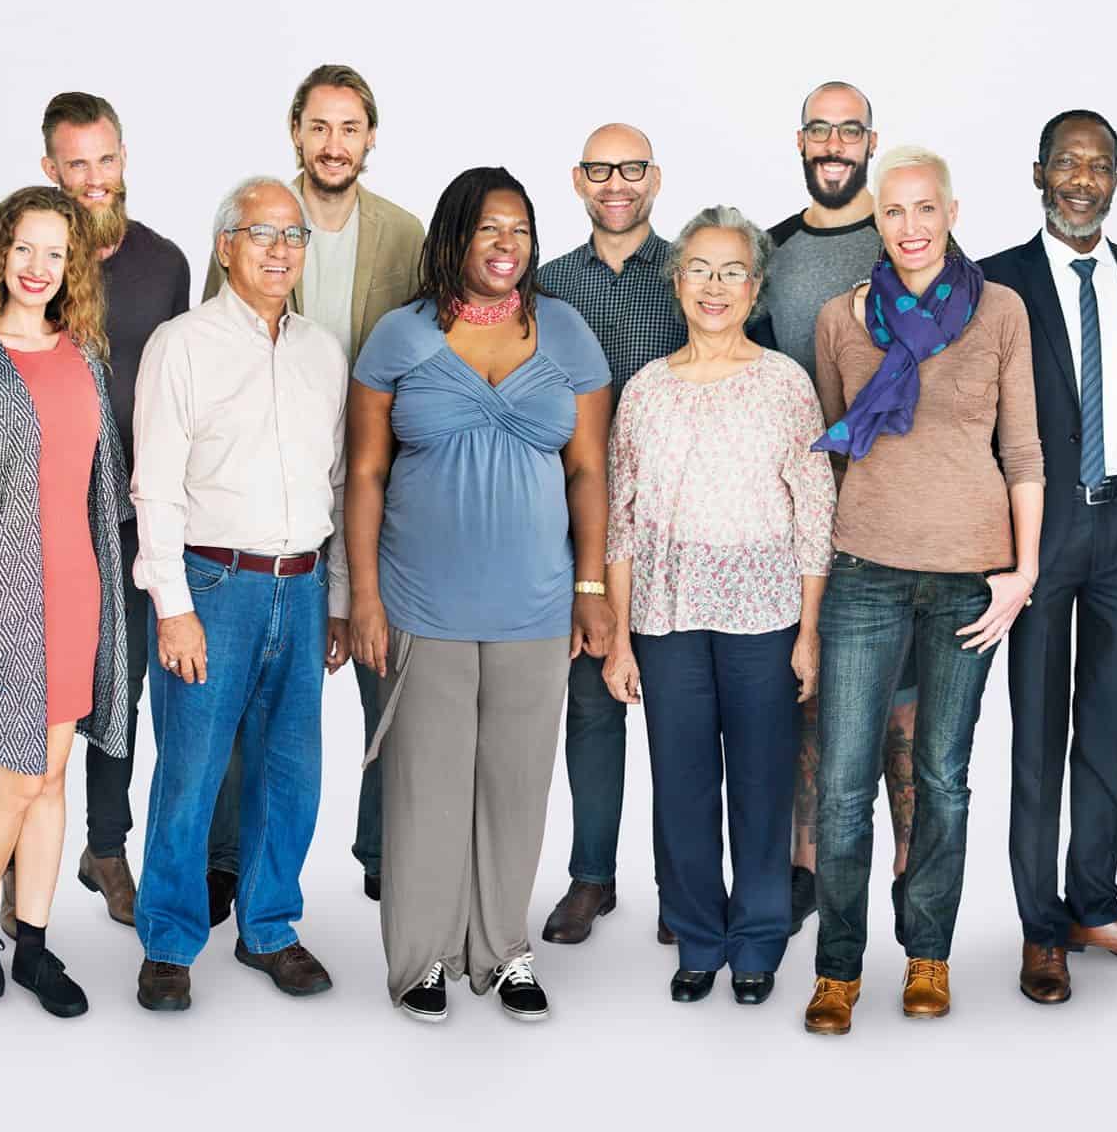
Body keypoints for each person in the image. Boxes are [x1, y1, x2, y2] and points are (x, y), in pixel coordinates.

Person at [346, 167, 613, 1024]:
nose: (506, 245)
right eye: (488, 229)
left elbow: (588, 468)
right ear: (453, 238)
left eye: (520, 230)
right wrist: (365, 599)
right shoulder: (400, 335)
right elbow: (365, 471)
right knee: (425, 783)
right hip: (421, 601)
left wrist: (592, 584)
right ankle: (422, 955)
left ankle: (501, 949)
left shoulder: (566, 334)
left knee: (517, 781)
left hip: (535, 603)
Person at [802, 146, 1044, 1035]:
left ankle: (928, 954)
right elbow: (836, 451)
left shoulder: (1002, 312)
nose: (909, 227)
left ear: (951, 211)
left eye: (923, 208)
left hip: (970, 582)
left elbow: (1022, 449)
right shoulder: (841, 318)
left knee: (942, 776)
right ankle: (836, 968)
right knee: (841, 781)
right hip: (864, 570)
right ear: (878, 221)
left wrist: (1021, 572)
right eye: (892, 212)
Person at [200, 64, 424, 913]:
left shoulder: (403, 235)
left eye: (350, 128)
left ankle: (383, 845)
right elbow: (210, 355)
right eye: (319, 127)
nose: (335, 144)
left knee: (386, 673)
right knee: (232, 694)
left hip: (372, 488)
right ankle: (225, 861)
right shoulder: (253, 218)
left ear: (371, 138)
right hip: (259, 496)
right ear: (297, 132)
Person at [602, 206, 836, 1005]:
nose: (715, 286)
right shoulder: (644, 391)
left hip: (765, 613)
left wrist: (809, 630)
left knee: (765, 783)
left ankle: (759, 939)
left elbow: (815, 510)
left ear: (757, 287)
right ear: (677, 282)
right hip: (664, 618)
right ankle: (698, 936)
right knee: (683, 783)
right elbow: (620, 519)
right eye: (699, 268)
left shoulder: (785, 382)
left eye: (733, 271)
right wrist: (622, 641)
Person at [130, 177, 352, 1012]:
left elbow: (332, 480)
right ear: (225, 246)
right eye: (260, 233)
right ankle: (169, 938)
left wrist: (333, 599)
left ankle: (269, 927)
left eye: (293, 236)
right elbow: (155, 486)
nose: (278, 249)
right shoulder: (180, 345)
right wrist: (174, 605)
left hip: (298, 587)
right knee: (190, 769)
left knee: (290, 772)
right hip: (212, 584)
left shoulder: (322, 351)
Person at [980, 109, 1117, 1006]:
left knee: (1107, 727)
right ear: (1037, 173)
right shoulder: (995, 282)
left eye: (1099, 165)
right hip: (1038, 535)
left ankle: (1096, 902)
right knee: (1036, 738)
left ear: (1115, 180)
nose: (1081, 178)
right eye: (1067, 162)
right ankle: (1040, 928)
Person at [0, 185, 130, 1018]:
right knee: (13, 780)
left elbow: (100, 489)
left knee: (52, 777)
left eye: (56, 253)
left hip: (80, 589)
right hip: (4, 597)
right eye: (25, 250)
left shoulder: (85, 354)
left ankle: (35, 945)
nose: (39, 268)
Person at [755, 81, 922, 938]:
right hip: (802, 516)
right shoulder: (770, 251)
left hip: (902, 508)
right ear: (799, 142)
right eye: (818, 130)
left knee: (907, 704)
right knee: (809, 693)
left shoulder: (908, 241)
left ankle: (908, 871)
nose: (833, 144)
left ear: (870, 141)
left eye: (847, 131)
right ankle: (805, 868)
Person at [21, 91, 188, 934]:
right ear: (50, 169)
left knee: (121, 699)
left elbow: (182, 391)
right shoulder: (35, 259)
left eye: (106, 159)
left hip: (133, 520)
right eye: (75, 163)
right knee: (47, 699)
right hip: (48, 522)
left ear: (126, 157)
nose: (94, 178)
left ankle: (107, 848)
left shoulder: (165, 264)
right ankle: (17, 866)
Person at [536, 123, 688, 947]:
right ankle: (591, 876)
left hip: (679, 532)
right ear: (578, 181)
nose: (616, 184)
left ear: (655, 178)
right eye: (601, 170)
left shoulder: (689, 275)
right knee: (593, 712)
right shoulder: (547, 287)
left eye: (631, 169)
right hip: (578, 532)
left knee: (678, 715)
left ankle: (682, 883)